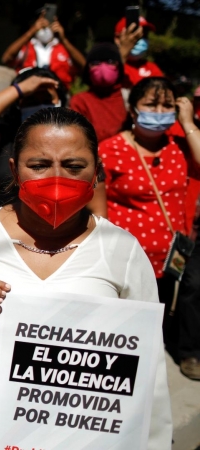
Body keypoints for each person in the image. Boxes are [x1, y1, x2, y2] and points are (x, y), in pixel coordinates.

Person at [0, 107, 172, 449]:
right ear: (15, 170)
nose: (57, 178)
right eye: (39, 165)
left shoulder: (122, 249)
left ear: (96, 172)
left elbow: (146, 365)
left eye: (74, 166)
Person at [99, 77, 200, 355]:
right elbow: (94, 203)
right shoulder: (109, 150)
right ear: (133, 111)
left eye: (167, 105)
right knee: (125, 333)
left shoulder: (180, 145)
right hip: (127, 261)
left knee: (155, 329)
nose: (159, 112)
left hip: (170, 261)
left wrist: (188, 122)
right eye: (151, 104)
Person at [0, 68, 67, 208]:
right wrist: (19, 89)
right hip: (4, 227)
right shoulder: (3, 137)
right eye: (31, 100)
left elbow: (97, 207)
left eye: (47, 99)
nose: (40, 106)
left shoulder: (77, 139)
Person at [1, 7, 85, 89]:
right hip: (29, 94)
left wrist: (64, 39)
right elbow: (6, 58)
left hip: (59, 93)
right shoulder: (27, 47)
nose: (45, 26)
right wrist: (31, 31)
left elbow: (84, 66)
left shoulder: (64, 48)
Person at [70, 43, 127, 143]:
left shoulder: (128, 97)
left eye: (110, 62)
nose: (103, 67)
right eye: (95, 63)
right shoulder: (80, 101)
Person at [114, 17, 163, 89]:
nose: (140, 39)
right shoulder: (106, 64)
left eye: (144, 35)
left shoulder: (152, 68)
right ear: (117, 39)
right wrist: (124, 51)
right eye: (134, 35)